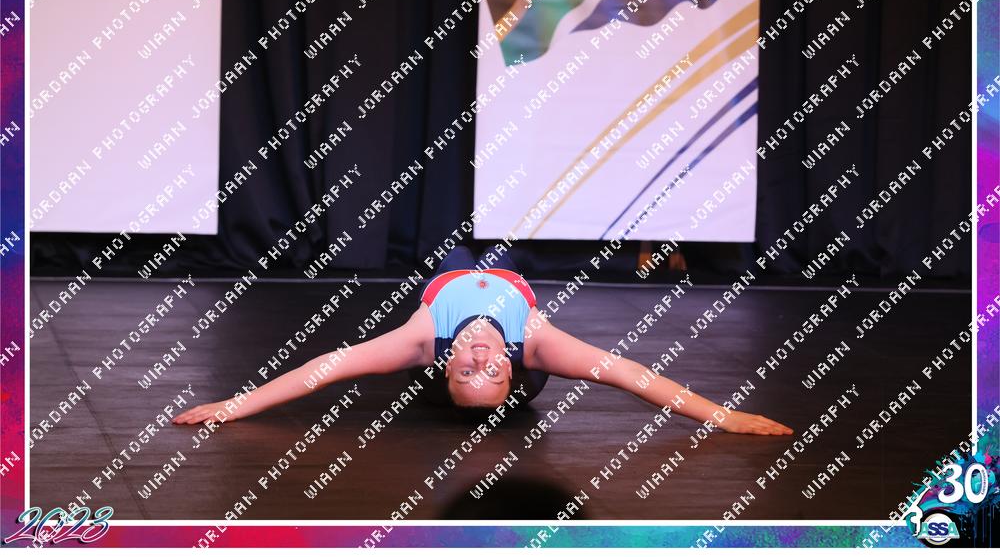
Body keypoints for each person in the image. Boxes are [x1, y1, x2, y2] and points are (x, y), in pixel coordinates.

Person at [173, 245, 792, 436]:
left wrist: (234, 404)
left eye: (466, 372)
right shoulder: (534, 342)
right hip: (513, 287)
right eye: (491, 372)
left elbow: (327, 367)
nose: (479, 359)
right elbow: (630, 374)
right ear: (508, 368)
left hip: (450, 281)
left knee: (453, 253)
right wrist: (725, 415)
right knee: (509, 252)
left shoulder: (422, 339)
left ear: (442, 368)